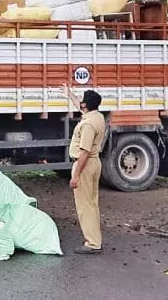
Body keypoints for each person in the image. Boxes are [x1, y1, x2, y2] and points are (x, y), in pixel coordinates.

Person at [63, 85, 106, 254]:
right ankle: (95, 240)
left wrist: (76, 175)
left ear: (85, 105)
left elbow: (84, 152)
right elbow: (79, 107)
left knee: (85, 206)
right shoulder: (97, 117)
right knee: (92, 204)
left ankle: (93, 243)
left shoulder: (88, 125)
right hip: (95, 163)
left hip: (85, 165)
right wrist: (69, 94)